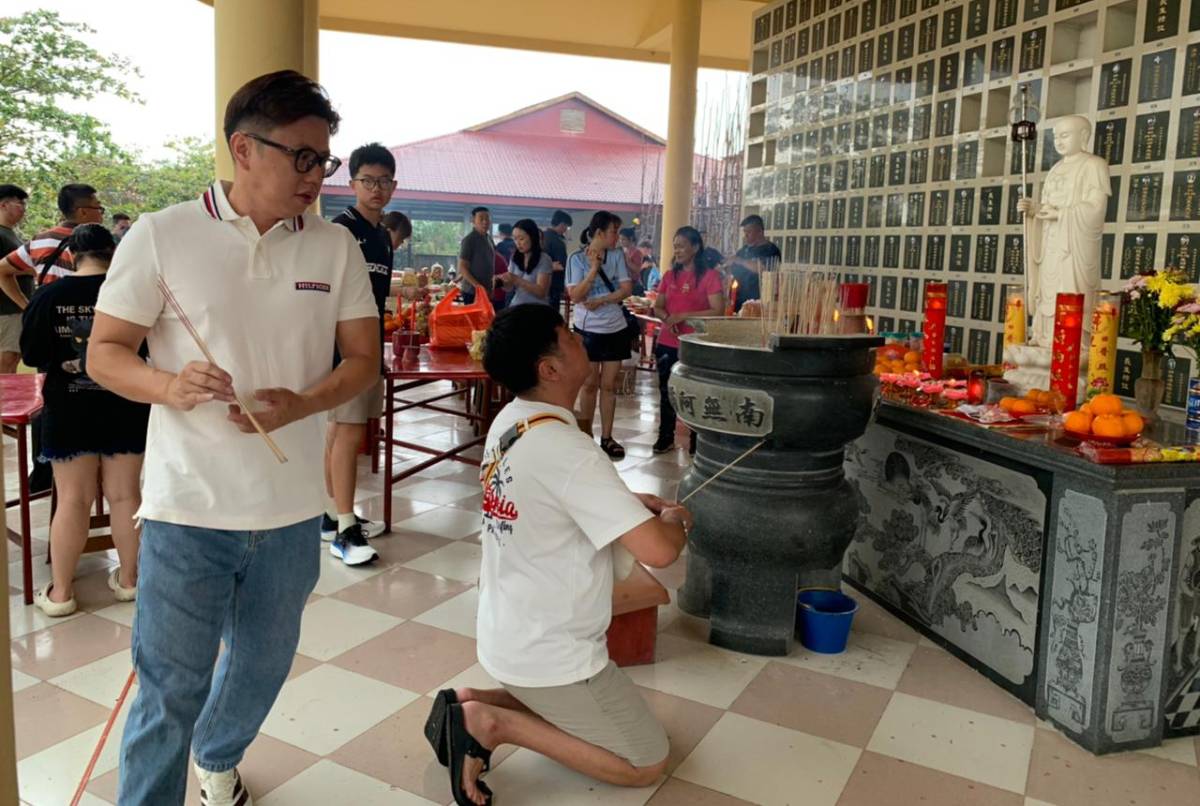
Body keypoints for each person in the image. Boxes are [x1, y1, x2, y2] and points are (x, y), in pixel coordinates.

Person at [89, 70, 380, 806]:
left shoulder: (334, 247)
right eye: (303, 158)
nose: (317, 176)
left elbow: (362, 361)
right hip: (189, 506)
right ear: (243, 149)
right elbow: (106, 353)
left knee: (261, 665)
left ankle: (218, 756)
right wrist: (170, 385)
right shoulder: (162, 234)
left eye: (325, 161)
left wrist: (302, 403)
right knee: (169, 688)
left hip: (287, 511)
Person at [425, 303, 691, 806]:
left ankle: (470, 701)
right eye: (567, 335)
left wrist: (625, 503)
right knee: (646, 761)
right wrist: (674, 522)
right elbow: (658, 551)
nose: (578, 338)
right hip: (552, 652)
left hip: (510, 632)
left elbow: (545, 496)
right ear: (548, 369)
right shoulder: (568, 448)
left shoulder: (515, 421)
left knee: (605, 723)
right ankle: (491, 722)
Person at [20, 224, 150, 617]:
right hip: (127, 403)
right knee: (126, 496)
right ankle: (130, 580)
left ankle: (61, 594)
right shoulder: (128, 293)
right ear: (113, 252)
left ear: (71, 255)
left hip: (68, 407)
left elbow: (31, 354)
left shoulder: (48, 296)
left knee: (72, 501)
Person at [1, 183, 105, 493]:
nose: (101, 214)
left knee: (51, 398)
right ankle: (94, 466)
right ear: (84, 211)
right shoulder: (100, 245)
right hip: (95, 331)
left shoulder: (39, 240)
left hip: (50, 334)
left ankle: (47, 469)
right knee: (97, 393)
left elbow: (3, 271)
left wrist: (30, 307)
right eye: (98, 208)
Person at [323, 143, 399, 565]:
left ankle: (330, 515)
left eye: (384, 181)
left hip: (368, 345)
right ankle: (344, 529)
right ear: (352, 183)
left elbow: (377, 299)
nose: (377, 188)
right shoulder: (340, 231)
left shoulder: (382, 236)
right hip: (344, 350)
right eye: (368, 180)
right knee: (348, 433)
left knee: (340, 432)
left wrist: (378, 350)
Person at [652, 227, 725, 455]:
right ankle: (665, 437)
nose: (677, 250)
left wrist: (683, 316)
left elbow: (717, 310)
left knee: (695, 391)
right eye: (675, 246)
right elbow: (658, 306)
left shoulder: (709, 276)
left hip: (695, 344)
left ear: (695, 247)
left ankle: (696, 441)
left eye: (682, 245)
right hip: (667, 342)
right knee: (666, 391)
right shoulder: (669, 275)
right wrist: (668, 319)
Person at [566, 211, 633, 459]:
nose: (617, 236)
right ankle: (586, 436)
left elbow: (626, 289)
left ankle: (607, 437)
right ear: (599, 233)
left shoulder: (617, 256)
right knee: (590, 384)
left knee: (609, 385)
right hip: (587, 329)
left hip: (615, 327)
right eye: (614, 231)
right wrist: (593, 268)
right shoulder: (576, 259)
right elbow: (576, 296)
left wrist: (603, 298)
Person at [0, 184, 31, 374]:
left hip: (15, 309)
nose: (23, 208)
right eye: (20, 203)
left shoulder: (10, 234)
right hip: (6, 310)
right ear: (4, 205)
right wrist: (28, 270)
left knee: (12, 359)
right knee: (7, 359)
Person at [723, 214, 781, 312]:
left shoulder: (771, 250)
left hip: (758, 302)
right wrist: (726, 267)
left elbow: (763, 268)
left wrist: (740, 261)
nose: (745, 236)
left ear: (759, 232)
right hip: (738, 301)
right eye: (745, 232)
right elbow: (733, 270)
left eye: (749, 232)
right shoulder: (744, 250)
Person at [497, 218, 552, 306]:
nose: (518, 243)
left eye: (521, 239)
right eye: (515, 239)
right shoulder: (515, 257)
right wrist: (501, 282)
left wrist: (516, 279)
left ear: (532, 238)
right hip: (516, 305)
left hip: (537, 309)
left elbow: (541, 292)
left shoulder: (544, 259)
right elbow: (509, 288)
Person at [458, 206, 494, 304]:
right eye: (481, 218)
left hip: (486, 290)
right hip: (471, 292)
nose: (485, 221)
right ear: (473, 220)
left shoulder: (489, 239)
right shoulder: (469, 240)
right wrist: (479, 287)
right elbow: (462, 267)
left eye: (487, 218)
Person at [543, 210, 572, 311]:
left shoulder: (542, 236)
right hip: (553, 285)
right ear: (562, 224)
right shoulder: (557, 241)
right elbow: (562, 265)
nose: (565, 230)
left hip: (539, 283)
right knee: (551, 315)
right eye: (566, 227)